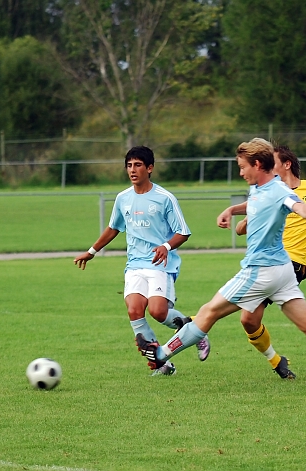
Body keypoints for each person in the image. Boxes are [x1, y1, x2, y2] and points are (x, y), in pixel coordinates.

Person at [135, 138, 306, 375]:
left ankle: (160, 354)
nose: (240, 172)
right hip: (282, 270)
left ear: (257, 164)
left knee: (208, 312)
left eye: (242, 167)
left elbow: (297, 206)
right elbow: (257, 203)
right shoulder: (261, 186)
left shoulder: (279, 190)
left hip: (260, 270)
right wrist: (231, 210)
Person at [213, 145, 306, 379]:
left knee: (223, 311)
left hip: (290, 264)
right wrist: (239, 215)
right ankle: (277, 361)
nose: (265, 166)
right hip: (268, 261)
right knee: (249, 320)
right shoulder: (267, 191)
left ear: (286, 164)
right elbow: (245, 226)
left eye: (271, 162)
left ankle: (191, 325)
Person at [73, 146, 208, 376]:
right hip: (134, 265)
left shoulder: (165, 198)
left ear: (150, 168)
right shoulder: (123, 198)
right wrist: (91, 251)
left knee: (157, 311)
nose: (132, 170)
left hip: (160, 264)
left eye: (137, 165)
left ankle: (196, 331)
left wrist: (165, 247)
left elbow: (183, 232)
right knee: (135, 310)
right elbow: (113, 228)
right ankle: (162, 364)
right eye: (129, 165)